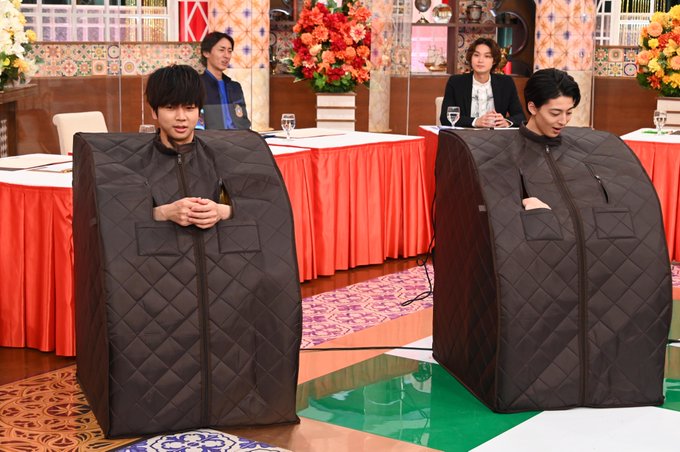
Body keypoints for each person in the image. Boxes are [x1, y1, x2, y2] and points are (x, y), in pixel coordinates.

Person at [145, 64, 232, 226]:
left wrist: (222, 211)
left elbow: (264, 208)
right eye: (170, 107)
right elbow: (116, 215)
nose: (181, 117)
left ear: (199, 111)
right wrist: (163, 213)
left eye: (189, 108)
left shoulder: (222, 155)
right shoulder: (136, 160)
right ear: (153, 111)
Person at [519, 68, 581, 210]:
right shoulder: (508, 153)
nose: (563, 121)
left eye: (569, 113)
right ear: (533, 108)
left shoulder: (580, 149)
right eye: (555, 113)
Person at [439, 37, 525, 128]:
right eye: (476, 55)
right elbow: (445, 118)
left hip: (495, 135)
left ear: (494, 61)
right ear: (471, 58)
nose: (480, 60)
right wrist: (476, 121)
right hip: (465, 134)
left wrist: (506, 122)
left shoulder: (506, 83)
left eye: (487, 56)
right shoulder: (456, 82)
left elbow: (520, 117)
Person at [199, 31, 251, 130]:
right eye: (221, 50)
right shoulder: (197, 85)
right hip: (211, 138)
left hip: (238, 137)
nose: (227, 56)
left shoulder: (235, 87)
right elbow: (197, 126)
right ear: (206, 53)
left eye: (229, 51)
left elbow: (243, 122)